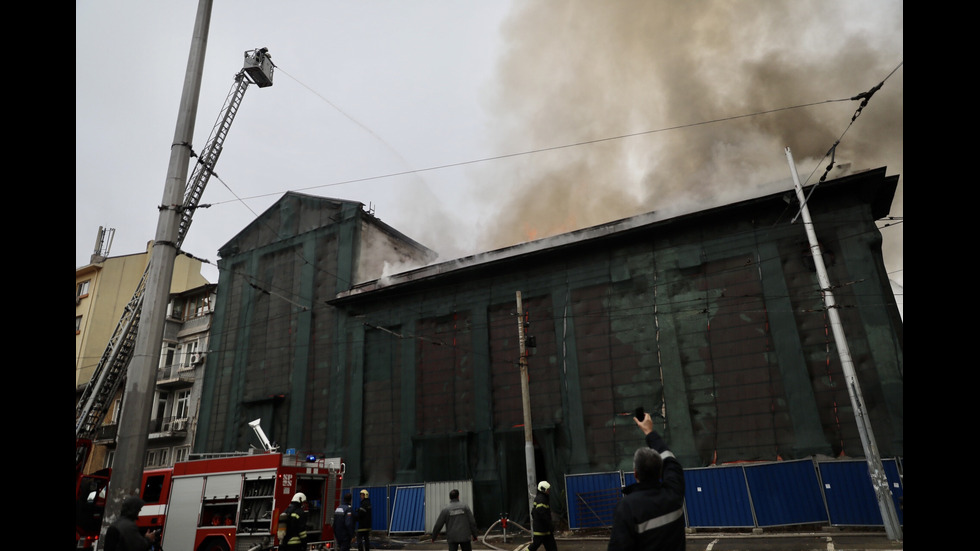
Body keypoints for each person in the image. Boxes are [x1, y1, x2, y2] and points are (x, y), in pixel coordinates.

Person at [608, 412, 686, 551]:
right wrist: (649, 431)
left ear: (635, 473)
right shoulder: (673, 493)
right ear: (660, 470)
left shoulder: (627, 507)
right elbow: (671, 461)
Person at [528, 481, 557, 551]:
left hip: (544, 529)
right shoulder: (542, 499)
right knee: (535, 545)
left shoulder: (541, 498)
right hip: (541, 529)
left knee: (551, 546)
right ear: (543, 489)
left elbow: (533, 512)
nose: (548, 491)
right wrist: (550, 525)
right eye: (547, 489)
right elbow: (543, 515)